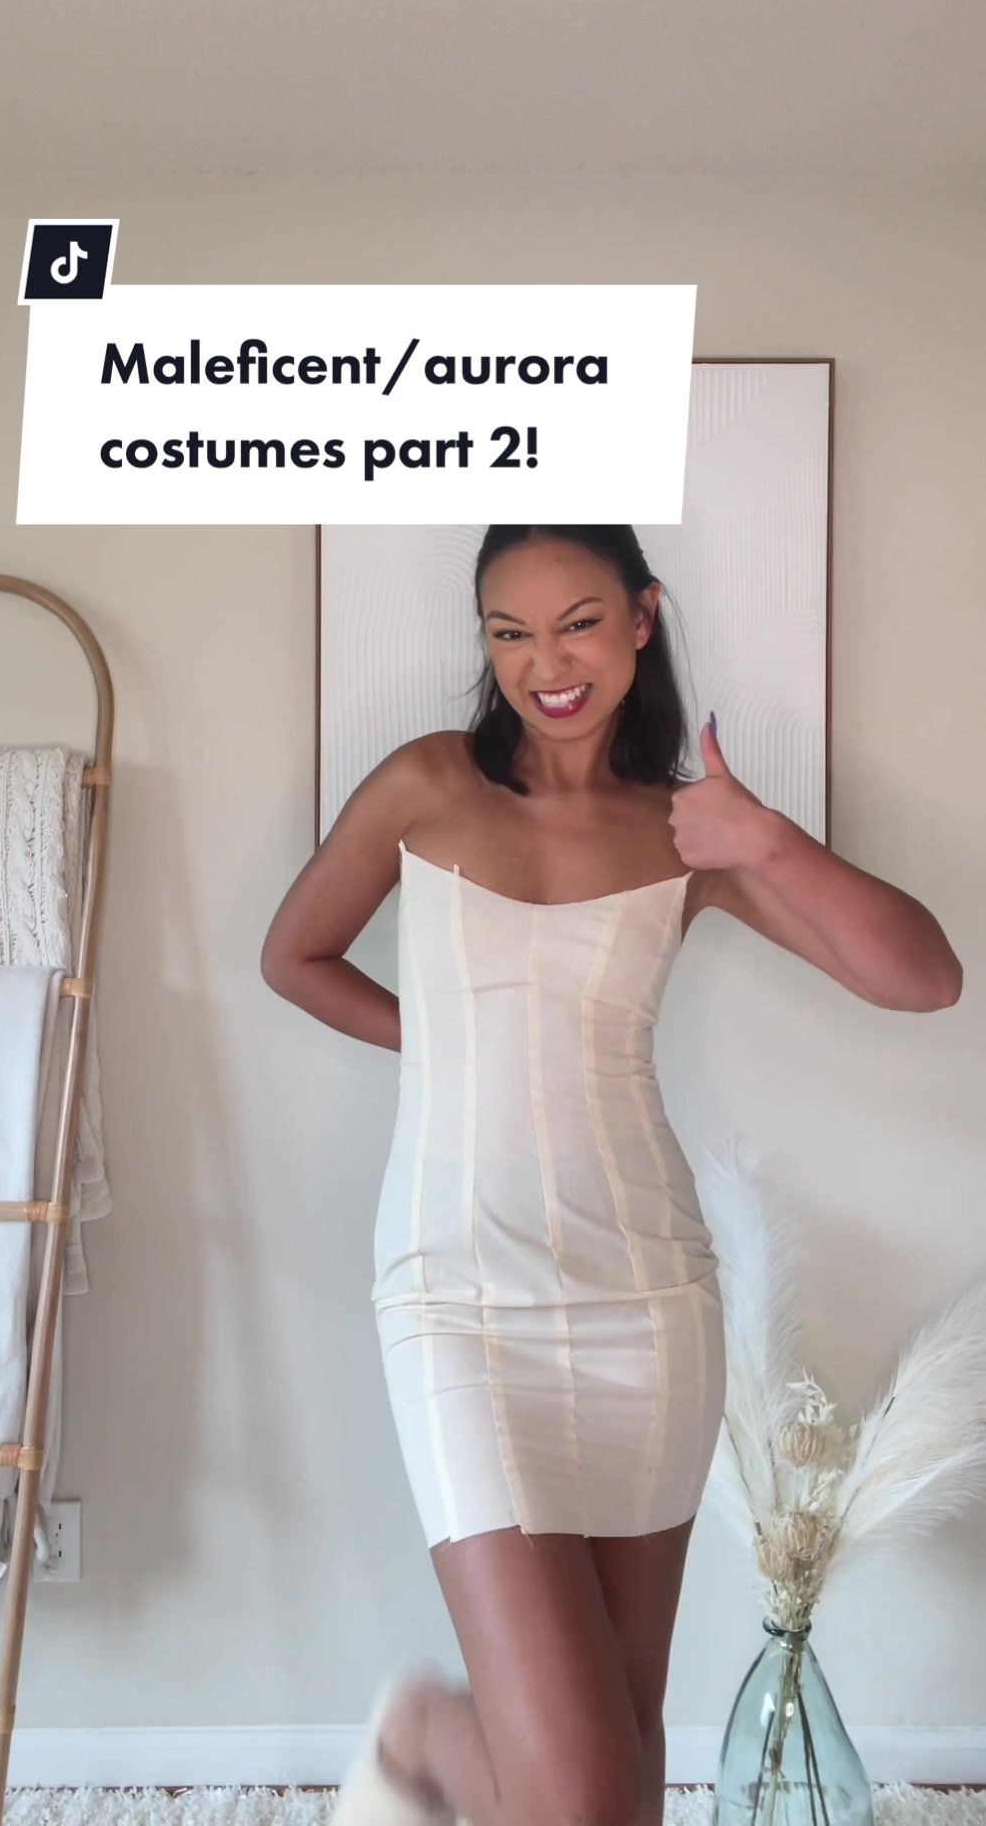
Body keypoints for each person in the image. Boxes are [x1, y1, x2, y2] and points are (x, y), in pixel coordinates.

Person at [261, 524, 962, 1826]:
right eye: (510, 633)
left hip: (648, 1300)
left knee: (622, 1770)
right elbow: (293, 956)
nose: (548, 664)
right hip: (456, 1295)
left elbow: (922, 978)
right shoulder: (424, 785)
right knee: (576, 1792)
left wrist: (764, 839)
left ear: (643, 617)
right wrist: (452, 1046)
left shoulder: (687, 835)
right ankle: (423, 1729)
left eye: (579, 622)